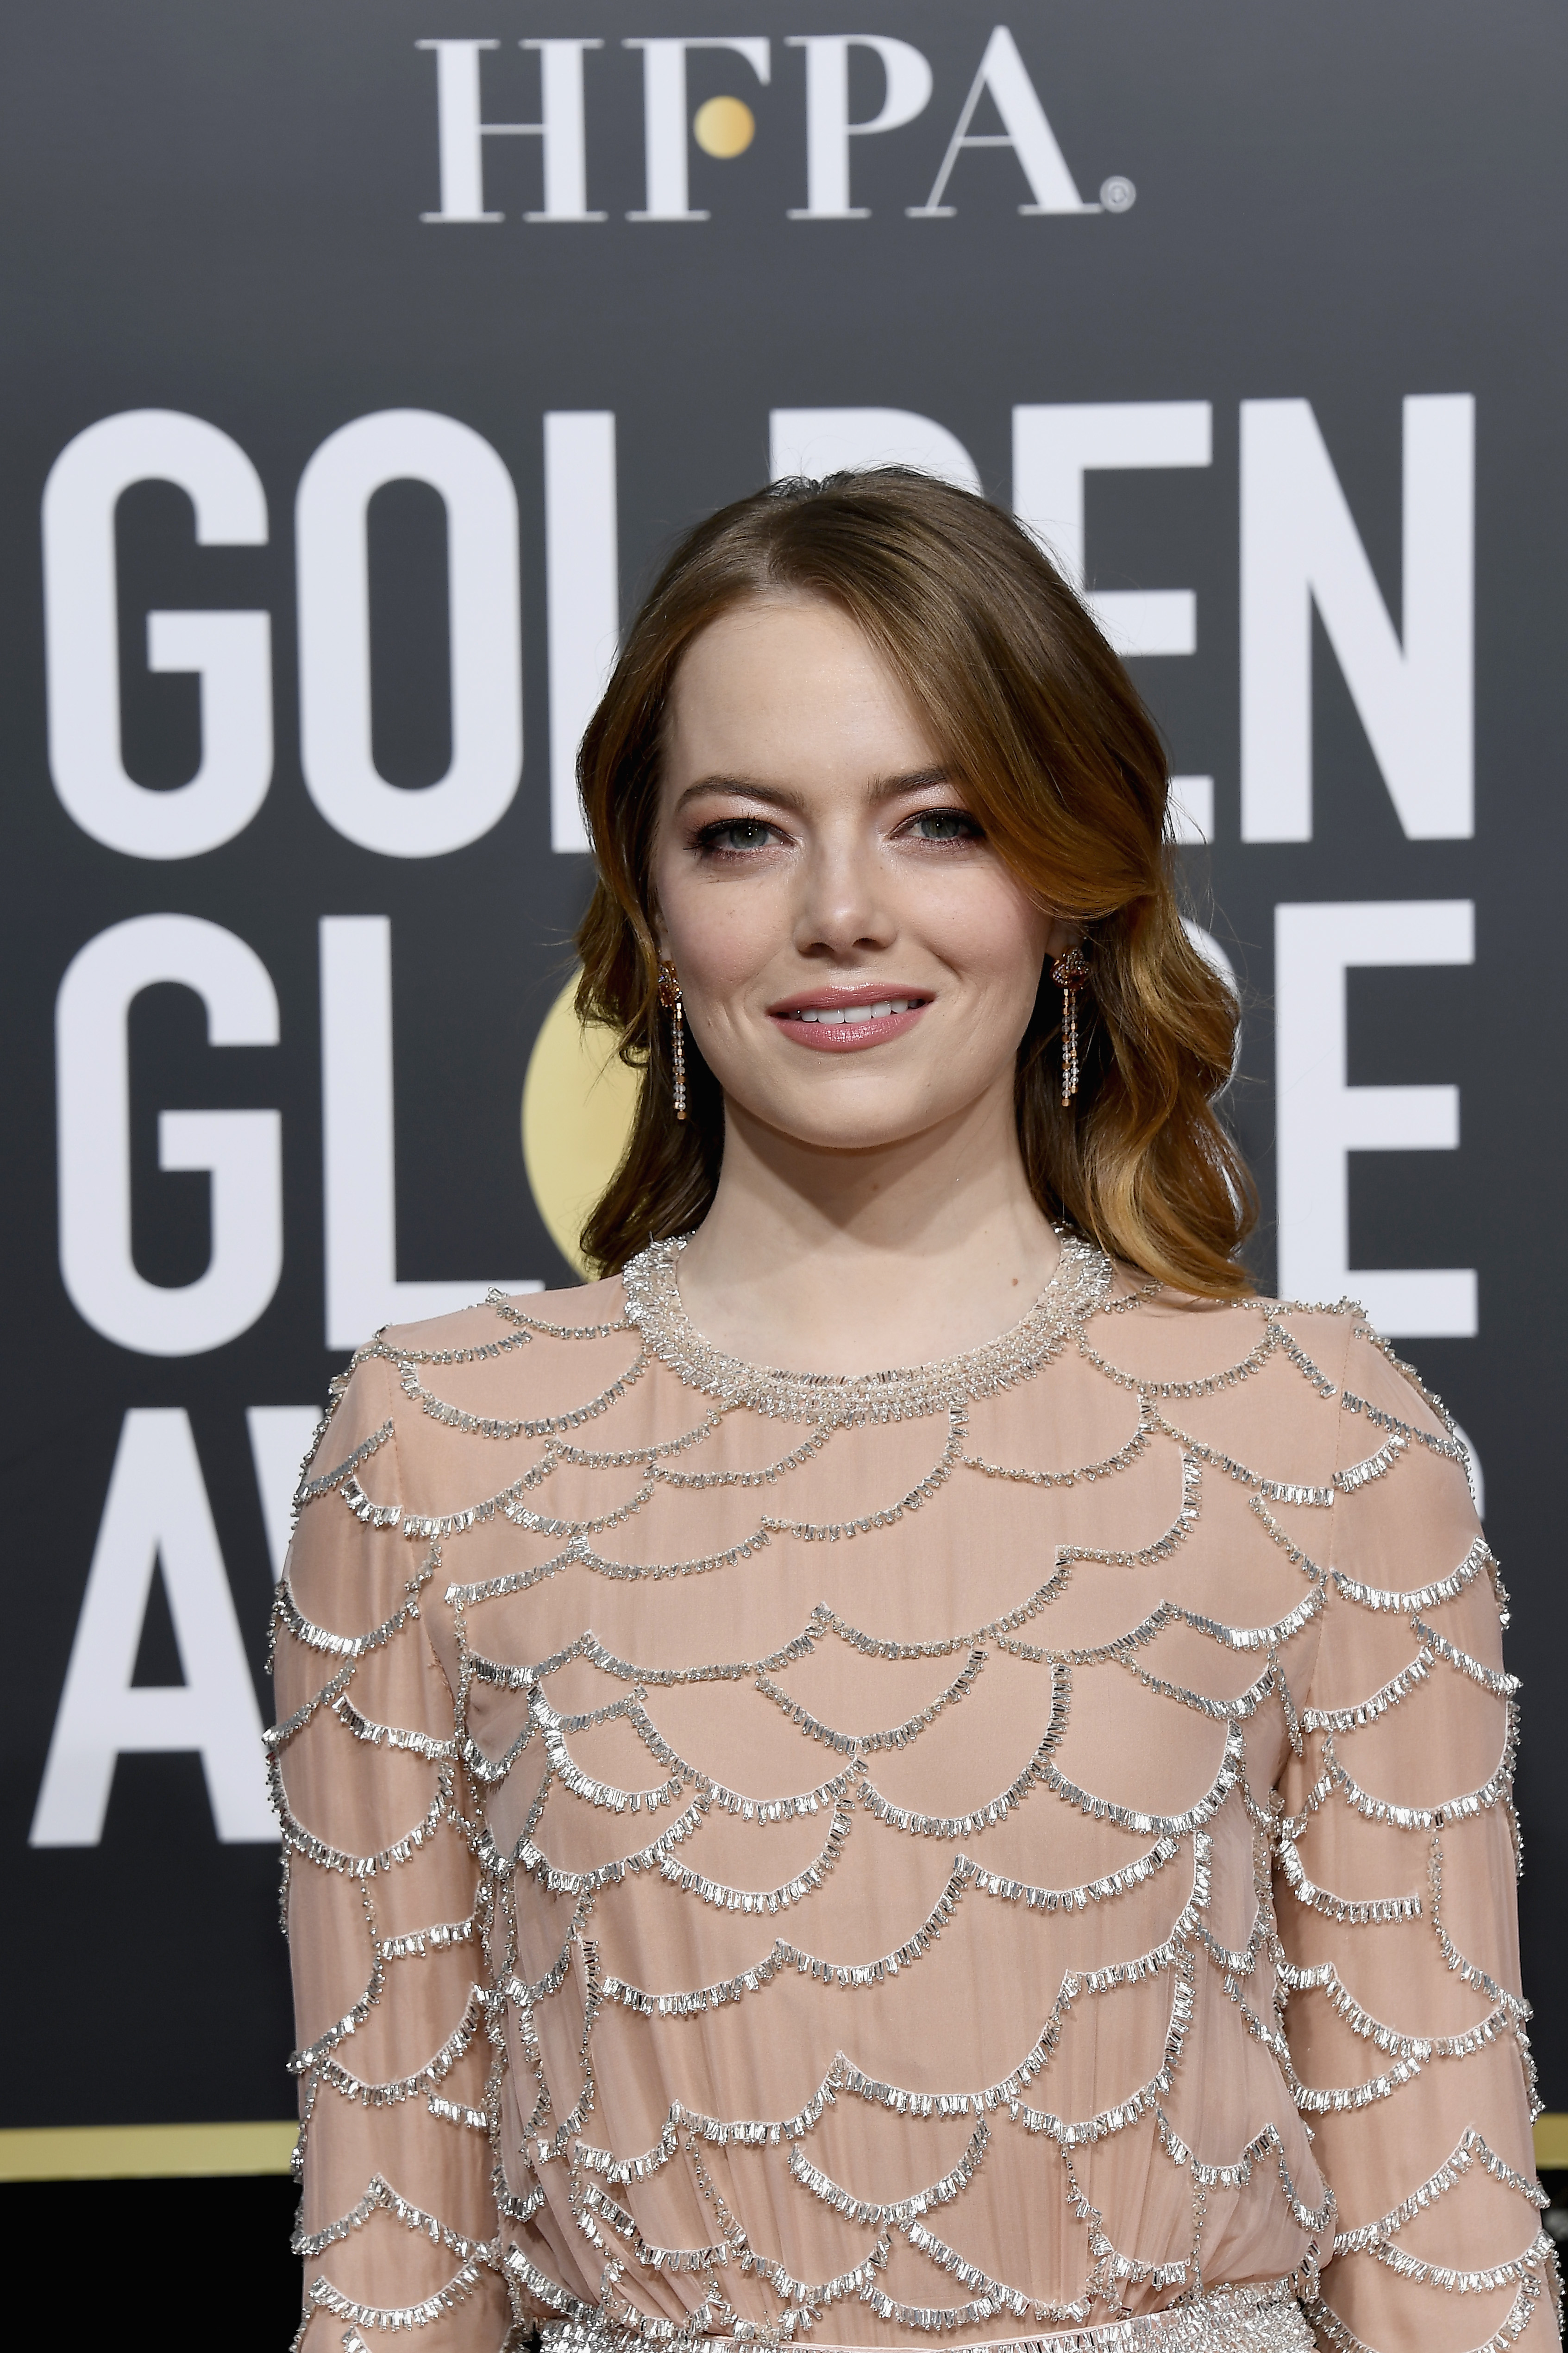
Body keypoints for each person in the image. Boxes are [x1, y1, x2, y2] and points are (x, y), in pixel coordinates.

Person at [271, 472, 1555, 2353]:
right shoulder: (434, 1447)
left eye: (938, 821)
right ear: (648, 894)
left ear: (1068, 874)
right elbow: (392, 2271)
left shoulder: (1318, 1438)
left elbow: (1447, 2261)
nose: (842, 912)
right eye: (742, 834)